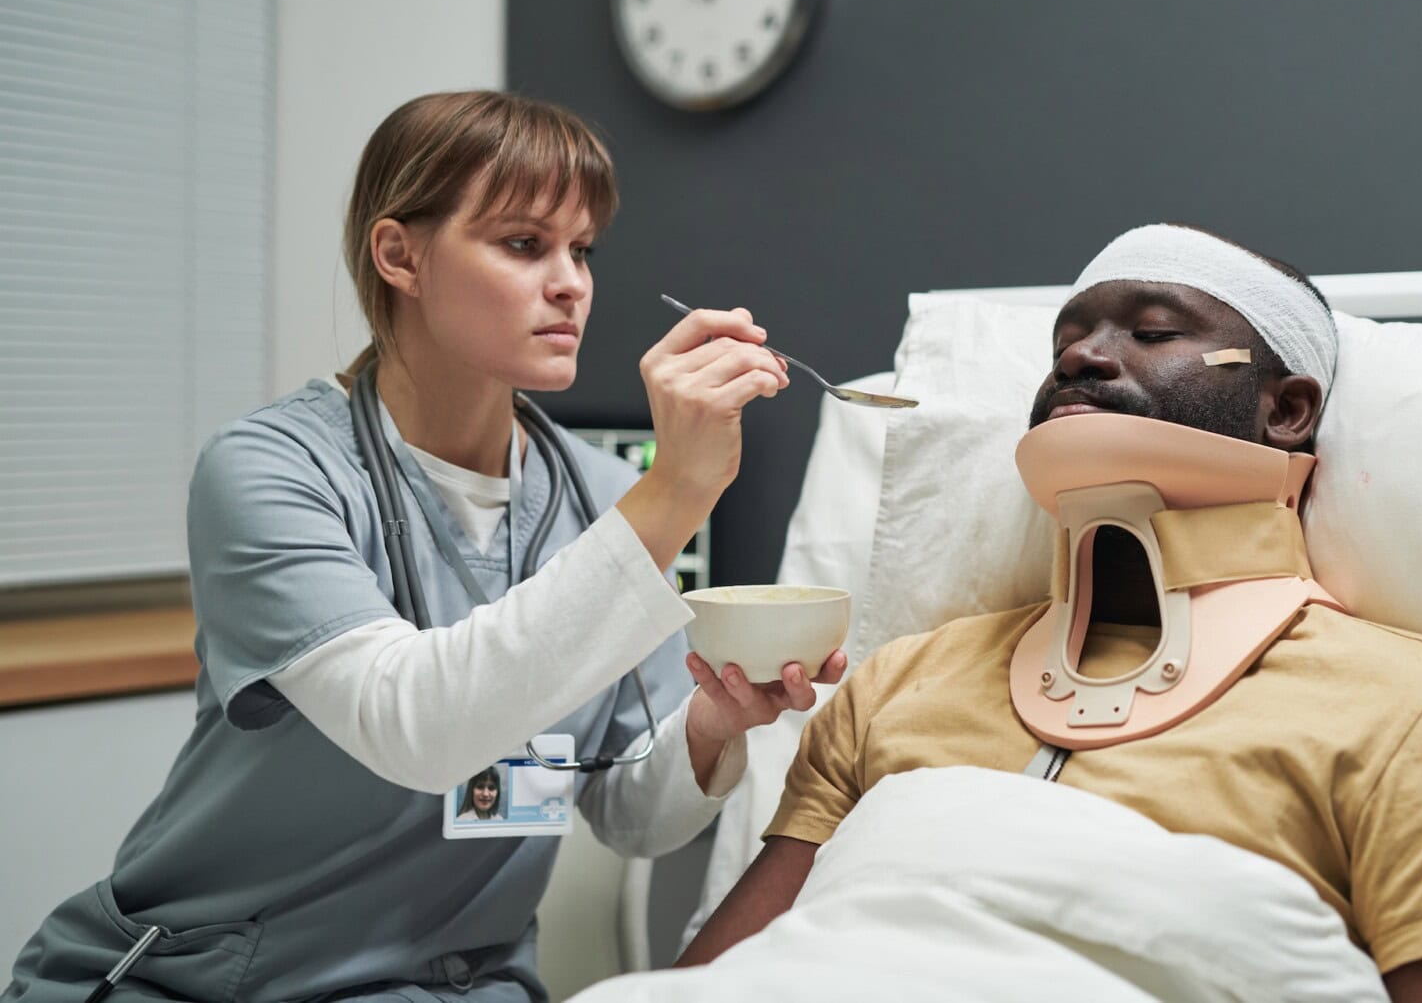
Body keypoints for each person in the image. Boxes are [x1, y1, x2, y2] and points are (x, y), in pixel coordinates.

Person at [4, 90, 845, 1002]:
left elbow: (630, 811)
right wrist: (676, 491)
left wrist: (718, 722)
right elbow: (423, 731)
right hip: (213, 980)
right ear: (400, 255)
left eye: (582, 248)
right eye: (524, 244)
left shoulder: (600, 501)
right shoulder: (272, 472)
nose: (570, 282)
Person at [679, 224, 1422, 1000]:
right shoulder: (899, 684)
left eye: (1152, 332)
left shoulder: (1421, 717)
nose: (1083, 355)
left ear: (1289, 411)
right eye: (1065, 343)